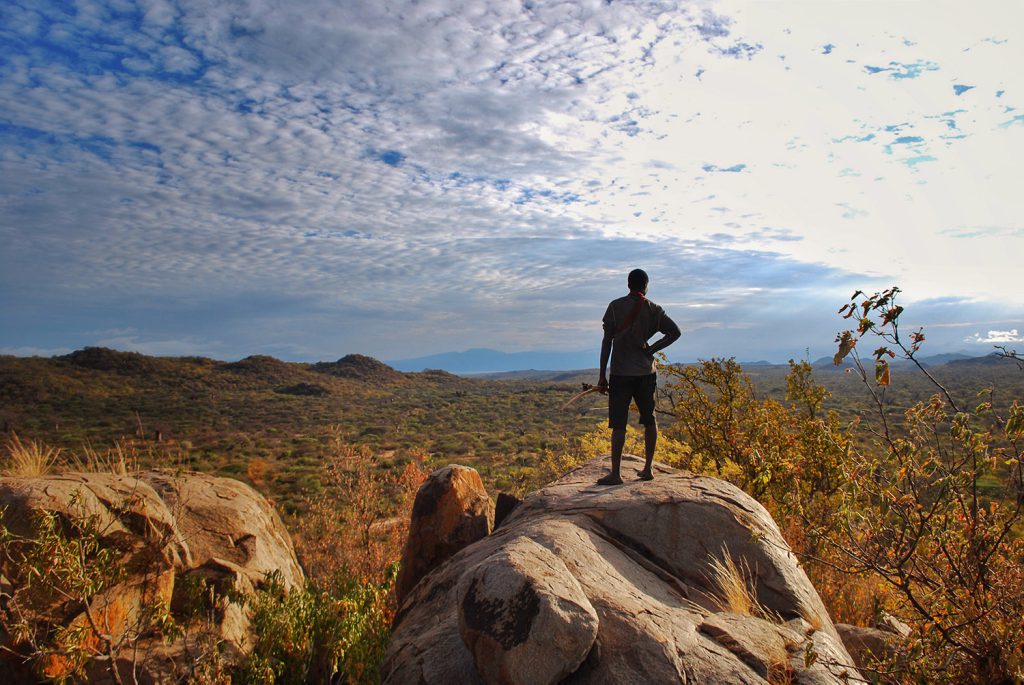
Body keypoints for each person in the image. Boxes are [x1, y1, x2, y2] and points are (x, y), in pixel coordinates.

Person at [596, 269, 681, 484]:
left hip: (620, 372)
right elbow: (675, 332)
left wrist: (601, 375)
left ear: (628, 285)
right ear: (646, 285)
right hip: (645, 372)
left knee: (618, 424)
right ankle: (648, 469)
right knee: (649, 419)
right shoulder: (654, 309)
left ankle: (616, 474)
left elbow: (607, 341)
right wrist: (651, 350)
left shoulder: (615, 307)